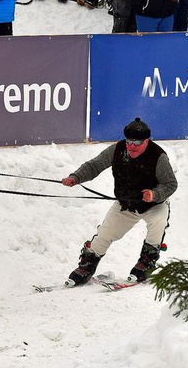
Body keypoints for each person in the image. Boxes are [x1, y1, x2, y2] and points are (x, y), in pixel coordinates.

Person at [61, 117, 178, 285]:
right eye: (129, 142)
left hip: (154, 205)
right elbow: (94, 166)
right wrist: (76, 177)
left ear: (146, 141)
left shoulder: (158, 157)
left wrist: (154, 194)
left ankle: (147, 263)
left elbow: (171, 184)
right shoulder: (117, 150)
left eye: (136, 143)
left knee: (158, 224)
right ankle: (87, 266)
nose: (131, 146)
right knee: (105, 234)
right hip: (126, 204)